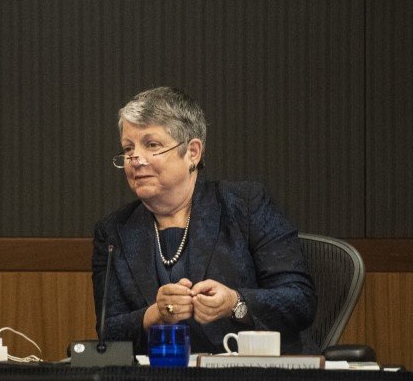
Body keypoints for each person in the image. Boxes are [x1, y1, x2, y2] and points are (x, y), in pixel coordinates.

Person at [93, 87, 316, 354]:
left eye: (152, 145)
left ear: (193, 153)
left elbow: (300, 301)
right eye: (128, 148)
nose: (135, 159)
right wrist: (154, 314)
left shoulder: (245, 205)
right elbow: (108, 333)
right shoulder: (114, 232)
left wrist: (235, 302)